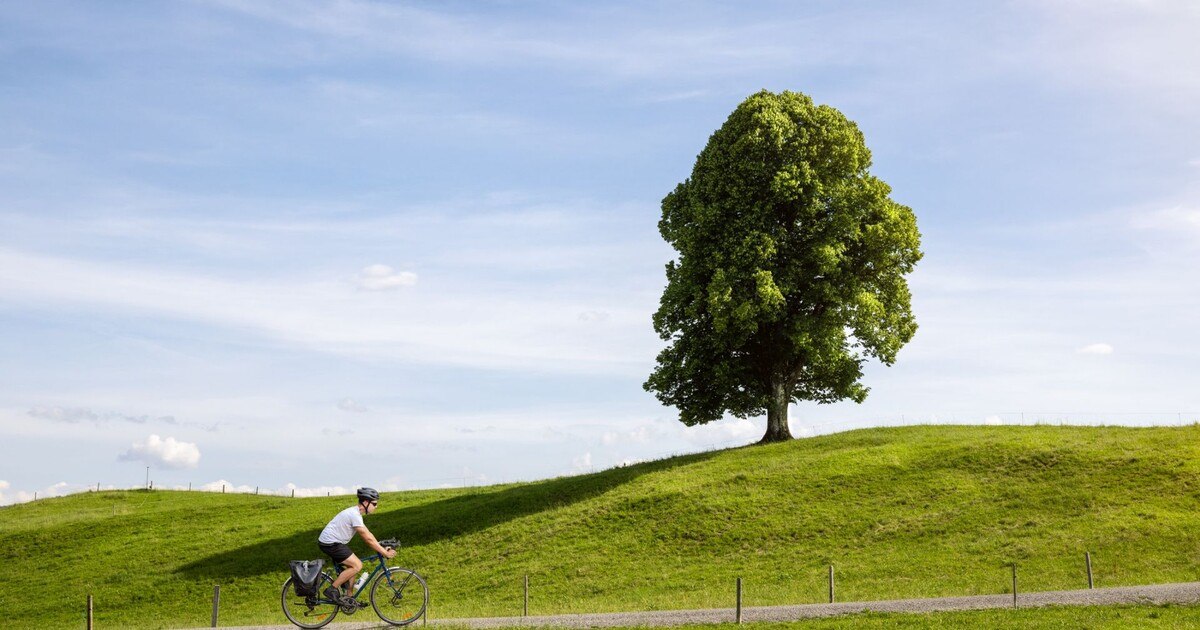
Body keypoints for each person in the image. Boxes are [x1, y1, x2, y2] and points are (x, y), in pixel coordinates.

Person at [317, 487, 395, 604]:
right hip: (330, 543)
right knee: (357, 565)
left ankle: (349, 598)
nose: (376, 506)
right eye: (374, 503)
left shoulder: (356, 514)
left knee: (352, 566)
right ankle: (331, 590)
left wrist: (380, 546)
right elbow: (367, 539)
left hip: (333, 542)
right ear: (365, 502)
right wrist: (384, 553)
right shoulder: (354, 515)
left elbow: (368, 534)